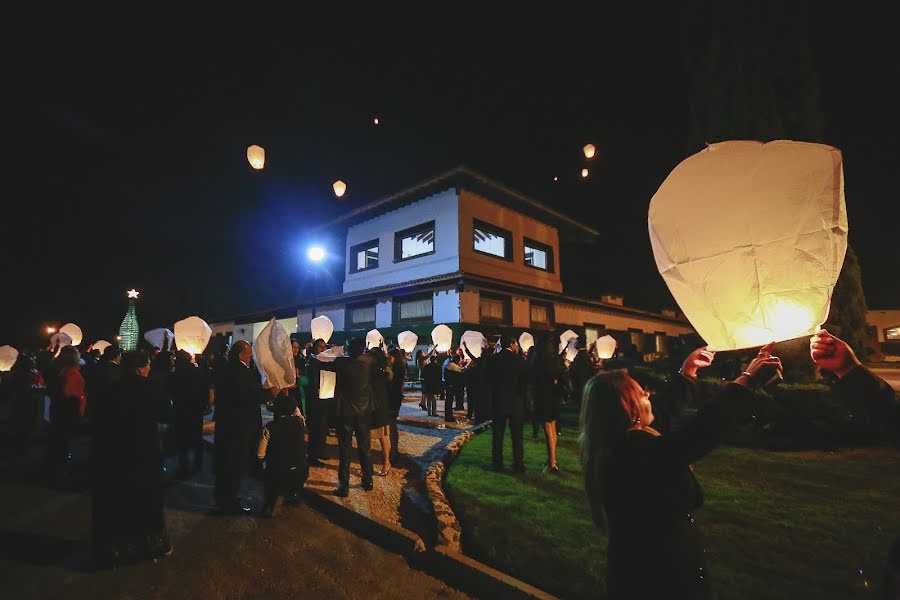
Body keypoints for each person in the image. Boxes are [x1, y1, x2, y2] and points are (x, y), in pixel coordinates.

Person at [580, 342, 779, 599]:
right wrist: (745, 381)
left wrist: (687, 373)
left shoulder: (616, 445)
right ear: (627, 406)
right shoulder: (633, 450)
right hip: (660, 577)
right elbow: (697, 434)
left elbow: (662, 411)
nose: (649, 396)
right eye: (642, 394)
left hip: (646, 569)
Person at [91, 350, 172, 567]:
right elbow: (165, 413)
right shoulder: (151, 388)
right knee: (148, 498)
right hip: (146, 451)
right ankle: (149, 544)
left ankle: (119, 545)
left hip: (117, 451)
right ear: (141, 367)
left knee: (121, 496)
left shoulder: (110, 390)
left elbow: (96, 417)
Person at [213, 341, 273, 514]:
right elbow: (247, 396)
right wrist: (269, 393)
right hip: (238, 426)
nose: (251, 355)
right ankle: (228, 502)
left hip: (230, 424)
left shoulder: (230, 368)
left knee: (227, 464)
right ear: (241, 354)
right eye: (248, 352)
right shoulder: (238, 370)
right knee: (234, 463)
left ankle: (224, 497)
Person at [315, 338, 377, 497]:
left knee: (345, 449)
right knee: (365, 447)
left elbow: (322, 363)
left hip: (345, 411)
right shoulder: (369, 363)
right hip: (363, 411)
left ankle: (344, 486)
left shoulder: (341, 364)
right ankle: (367, 479)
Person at [257, 395, 308, 517]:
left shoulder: (270, 428)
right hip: (300, 472)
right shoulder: (300, 423)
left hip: (278, 473)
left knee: (268, 468)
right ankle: (293, 494)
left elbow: (260, 454)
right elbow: (298, 413)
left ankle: (270, 503)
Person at [488, 336, 527, 472]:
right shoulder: (519, 360)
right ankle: (518, 463)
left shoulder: (493, 360)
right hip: (516, 401)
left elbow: (488, 380)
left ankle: (497, 463)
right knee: (517, 435)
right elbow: (524, 381)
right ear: (512, 344)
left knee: (498, 434)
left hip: (498, 400)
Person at [171, 350, 209, 477]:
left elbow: (171, 390)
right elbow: (205, 389)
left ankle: (184, 464)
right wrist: (204, 405)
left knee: (182, 438)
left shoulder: (176, 373)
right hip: (196, 409)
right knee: (197, 437)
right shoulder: (198, 372)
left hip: (181, 409)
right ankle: (198, 463)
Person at [48, 346, 86, 468]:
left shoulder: (57, 370)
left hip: (57, 405)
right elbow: (71, 392)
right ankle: (61, 463)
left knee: (57, 434)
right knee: (65, 435)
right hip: (69, 405)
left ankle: (55, 460)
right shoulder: (73, 373)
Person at [532, 334, 565, 473]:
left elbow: (533, 375)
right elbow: (561, 374)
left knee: (547, 428)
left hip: (543, 395)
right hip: (554, 395)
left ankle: (551, 463)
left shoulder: (539, 358)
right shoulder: (555, 358)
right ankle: (552, 459)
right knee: (552, 426)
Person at [9, 354, 46, 454]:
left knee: (25, 424)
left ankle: (22, 444)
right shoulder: (23, 374)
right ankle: (21, 445)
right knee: (23, 423)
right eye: (31, 360)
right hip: (24, 402)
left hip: (26, 402)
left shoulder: (29, 373)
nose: (33, 362)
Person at [304, 338, 330, 466]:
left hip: (323, 397)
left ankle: (320, 450)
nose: (323, 349)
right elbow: (312, 380)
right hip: (314, 398)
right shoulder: (312, 360)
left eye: (324, 347)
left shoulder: (322, 360)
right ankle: (312, 456)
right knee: (315, 428)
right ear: (314, 347)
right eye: (320, 347)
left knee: (323, 427)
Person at [368, 346, 394, 476]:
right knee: (372, 437)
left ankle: (386, 462)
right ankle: (372, 464)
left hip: (379, 407)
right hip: (372, 407)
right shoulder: (377, 371)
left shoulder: (382, 372)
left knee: (383, 437)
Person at [387, 347, 406, 462]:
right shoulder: (400, 368)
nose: (388, 359)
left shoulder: (396, 370)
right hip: (395, 398)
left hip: (392, 399)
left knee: (391, 424)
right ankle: (394, 450)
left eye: (390, 357)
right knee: (392, 425)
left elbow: (391, 383)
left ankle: (394, 450)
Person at [422, 351, 443, 417]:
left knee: (428, 399)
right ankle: (434, 412)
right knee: (434, 399)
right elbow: (440, 376)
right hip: (435, 385)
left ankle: (429, 412)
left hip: (428, 384)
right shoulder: (438, 367)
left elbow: (422, 375)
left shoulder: (426, 367)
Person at [444, 354, 464, 422]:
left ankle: (449, 416)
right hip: (451, 386)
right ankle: (448, 417)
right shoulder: (452, 366)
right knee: (449, 401)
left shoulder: (450, 365)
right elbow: (460, 371)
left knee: (449, 401)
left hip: (449, 385)